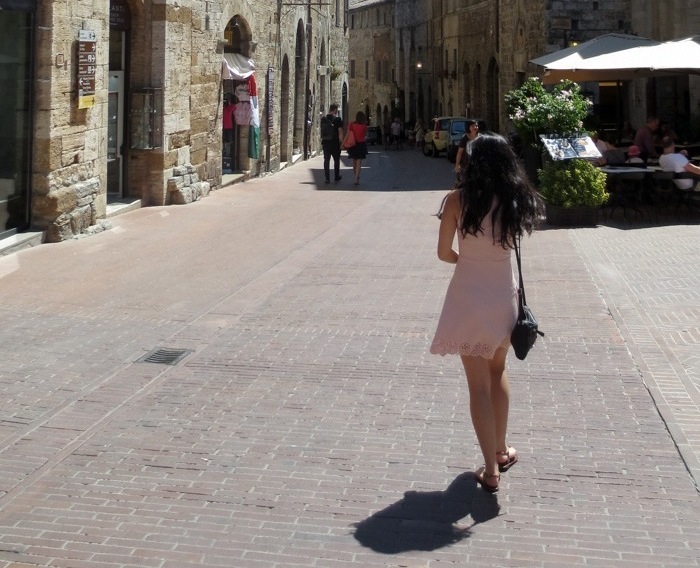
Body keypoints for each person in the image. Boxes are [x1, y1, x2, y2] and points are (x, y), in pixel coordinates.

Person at [430, 133, 544, 493]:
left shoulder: (455, 201)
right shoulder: (515, 199)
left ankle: (491, 470)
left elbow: (443, 253)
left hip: (468, 296)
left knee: (476, 384)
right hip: (502, 297)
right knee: (498, 371)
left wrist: (469, 261)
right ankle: (500, 448)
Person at [320, 103, 344, 183]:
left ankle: (327, 178)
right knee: (336, 160)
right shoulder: (338, 119)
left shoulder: (323, 119)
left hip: (326, 142)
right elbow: (340, 131)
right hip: (335, 142)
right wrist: (341, 142)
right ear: (335, 110)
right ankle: (336, 176)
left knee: (326, 160)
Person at [345, 111, 368, 185]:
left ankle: (356, 175)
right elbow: (364, 136)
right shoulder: (364, 126)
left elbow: (347, 135)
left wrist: (343, 143)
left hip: (353, 145)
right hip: (361, 145)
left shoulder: (351, 125)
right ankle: (356, 178)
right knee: (359, 162)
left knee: (354, 162)